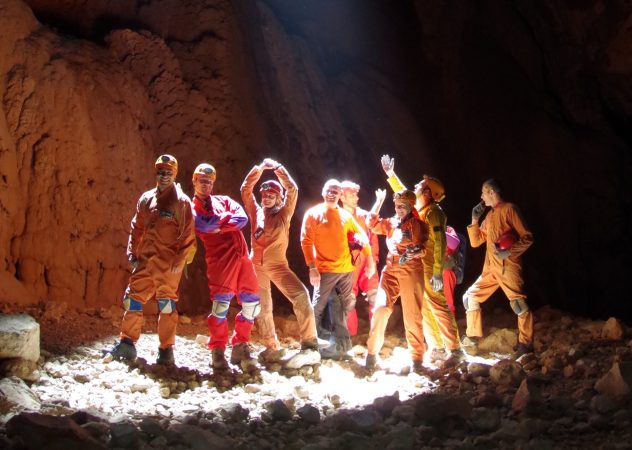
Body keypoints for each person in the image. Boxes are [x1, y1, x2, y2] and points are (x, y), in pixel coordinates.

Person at [106, 154, 196, 365]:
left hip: (168, 265)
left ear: (174, 174)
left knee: (166, 305)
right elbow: (137, 227)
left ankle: (166, 350)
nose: (164, 176)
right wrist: (133, 252)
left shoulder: (181, 202)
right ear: (156, 173)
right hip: (146, 261)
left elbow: (188, 236)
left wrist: (179, 261)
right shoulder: (147, 199)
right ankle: (127, 343)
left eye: (168, 172)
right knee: (134, 300)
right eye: (161, 172)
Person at [381, 155, 463, 366]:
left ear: (427, 192)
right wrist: (391, 175)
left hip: (429, 266)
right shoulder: (421, 210)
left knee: (437, 305)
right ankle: (436, 347)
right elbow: (406, 195)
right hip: (418, 265)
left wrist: (437, 271)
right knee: (424, 307)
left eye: (421, 185)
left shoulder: (434, 213)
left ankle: (454, 349)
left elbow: (440, 243)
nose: (417, 186)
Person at [241, 158, 320, 368]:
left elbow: (292, 189)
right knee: (263, 307)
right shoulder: (256, 212)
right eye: (264, 195)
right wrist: (258, 170)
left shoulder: (284, 213)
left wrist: (278, 169)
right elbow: (246, 190)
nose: (266, 198)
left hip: (277, 265)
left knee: (301, 296)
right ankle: (271, 346)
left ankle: (310, 343)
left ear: (278, 197)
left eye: (271, 195)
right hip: (256, 266)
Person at [191, 163, 260, 370]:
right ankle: (218, 350)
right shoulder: (191, 208)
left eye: (210, 182)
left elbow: (242, 219)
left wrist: (218, 223)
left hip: (242, 257)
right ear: (194, 181)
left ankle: (240, 343)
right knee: (221, 306)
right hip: (220, 260)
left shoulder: (224, 201)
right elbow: (202, 225)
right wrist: (224, 222)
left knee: (252, 302)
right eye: (202, 181)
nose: (206, 185)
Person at [300, 179, 375, 358]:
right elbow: (305, 241)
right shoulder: (313, 213)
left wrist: (370, 260)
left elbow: (362, 236)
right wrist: (312, 267)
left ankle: (342, 345)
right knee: (317, 306)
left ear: (340, 195)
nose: (332, 194)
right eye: (329, 190)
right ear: (323, 192)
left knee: (343, 306)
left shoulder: (345, 216)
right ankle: (311, 344)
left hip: (346, 269)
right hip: (324, 269)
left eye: (336, 191)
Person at [462, 179, 534, 357]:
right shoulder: (490, 215)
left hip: (507, 267)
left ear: (492, 192)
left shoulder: (509, 209)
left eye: (483, 193)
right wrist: (474, 219)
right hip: (490, 269)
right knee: (470, 297)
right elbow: (476, 241)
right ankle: (473, 336)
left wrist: (509, 252)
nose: (481, 196)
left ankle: (526, 343)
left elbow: (528, 237)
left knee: (518, 303)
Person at [365, 190, 428, 371]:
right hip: (391, 269)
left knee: (412, 315)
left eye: (403, 206)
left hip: (411, 269)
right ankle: (372, 353)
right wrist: (378, 202)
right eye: (397, 206)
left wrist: (413, 252)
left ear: (410, 206)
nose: (399, 209)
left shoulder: (417, 224)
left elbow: (422, 246)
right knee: (380, 309)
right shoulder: (392, 223)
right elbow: (372, 223)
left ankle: (417, 358)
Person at [337, 180, 384, 336]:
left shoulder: (363, 216)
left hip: (366, 261)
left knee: (375, 297)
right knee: (348, 300)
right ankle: (350, 336)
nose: (355, 197)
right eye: (351, 194)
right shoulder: (335, 217)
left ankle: (376, 335)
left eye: (356, 194)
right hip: (347, 264)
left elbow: (373, 238)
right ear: (341, 196)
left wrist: (374, 261)